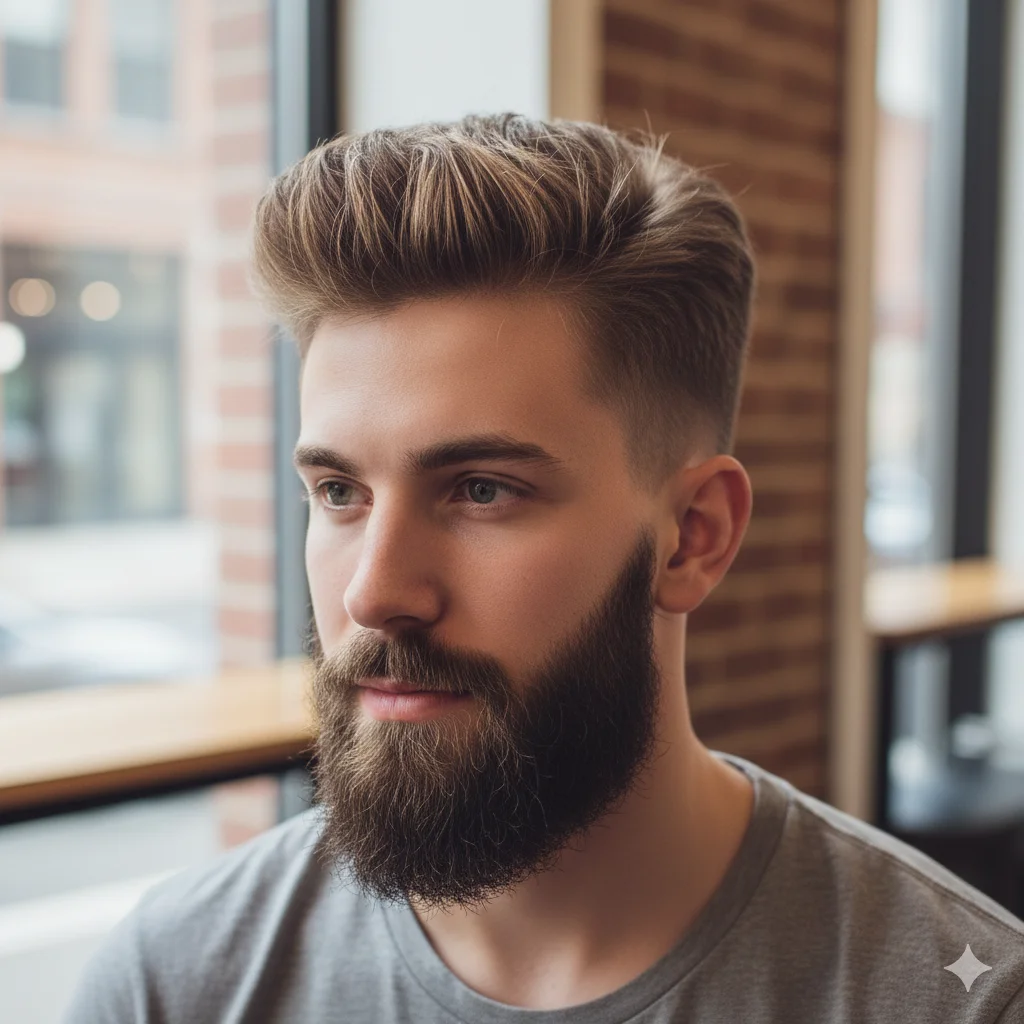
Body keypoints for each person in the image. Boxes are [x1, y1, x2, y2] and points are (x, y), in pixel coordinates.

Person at [65, 113, 1024, 1023]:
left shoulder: (956, 996)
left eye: (481, 490)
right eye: (340, 494)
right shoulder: (179, 983)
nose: (373, 592)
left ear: (694, 535)